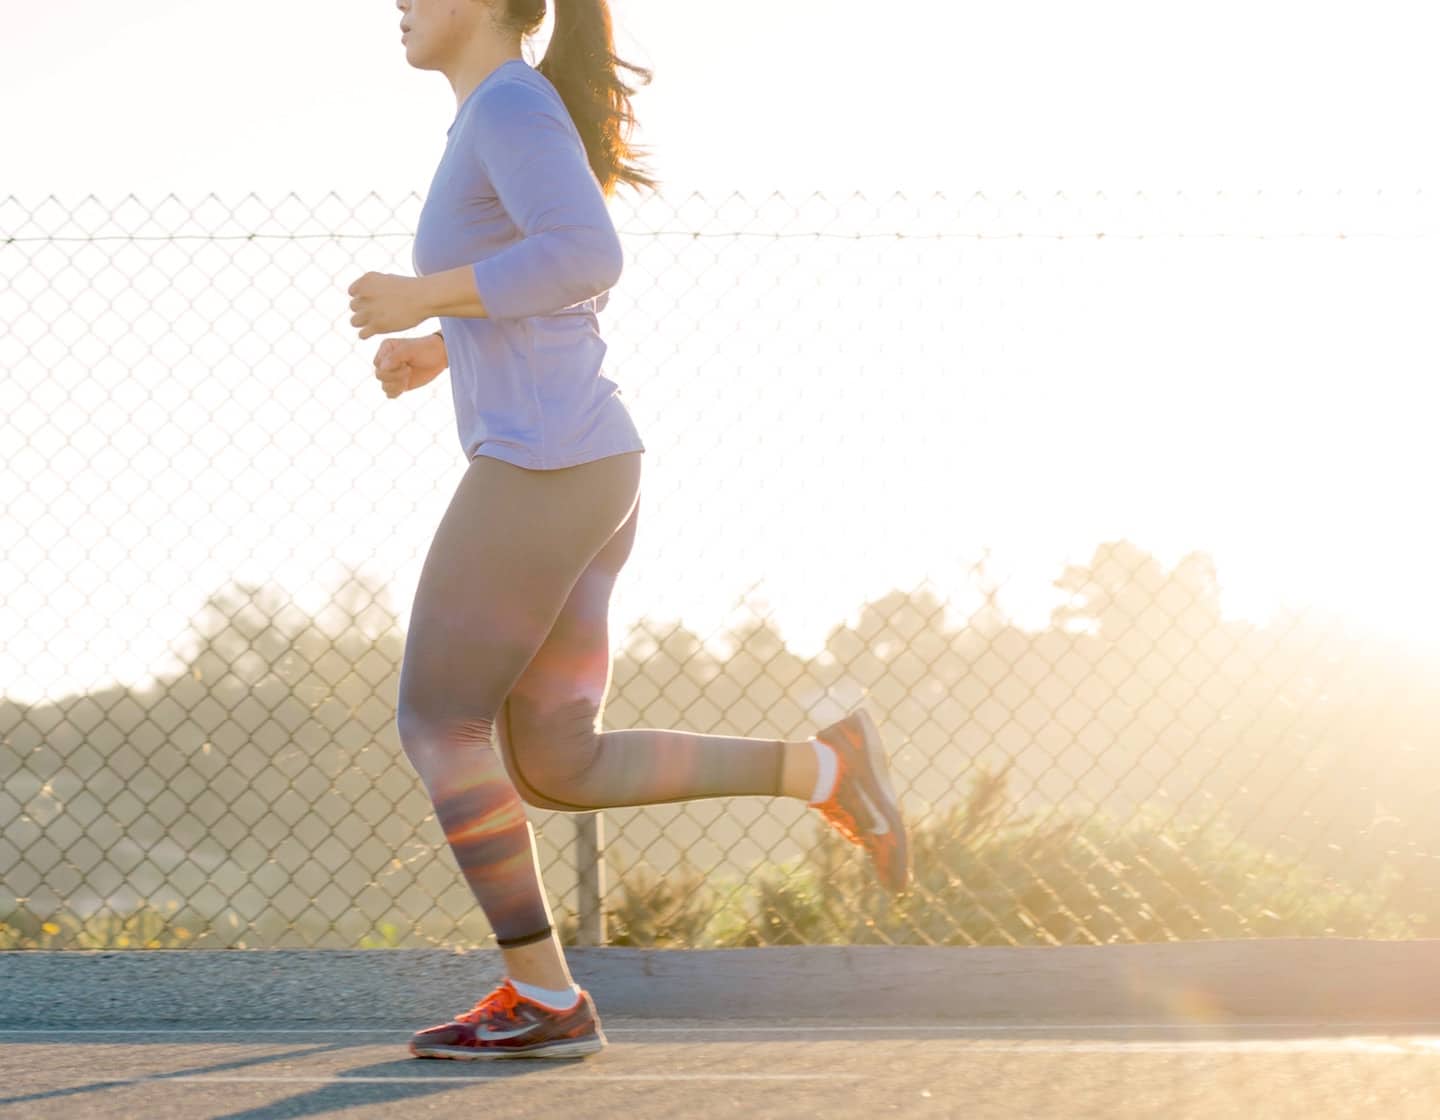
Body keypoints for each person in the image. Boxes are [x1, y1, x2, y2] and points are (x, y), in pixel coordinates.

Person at [346, 0, 910, 1061]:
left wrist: (426, 291)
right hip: (583, 464)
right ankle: (826, 769)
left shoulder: (510, 102)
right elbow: (542, 283)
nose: (397, 4)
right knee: (559, 761)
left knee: (439, 723)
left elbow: (587, 254)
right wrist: (442, 343)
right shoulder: (495, 111)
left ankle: (546, 996)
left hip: (549, 466)